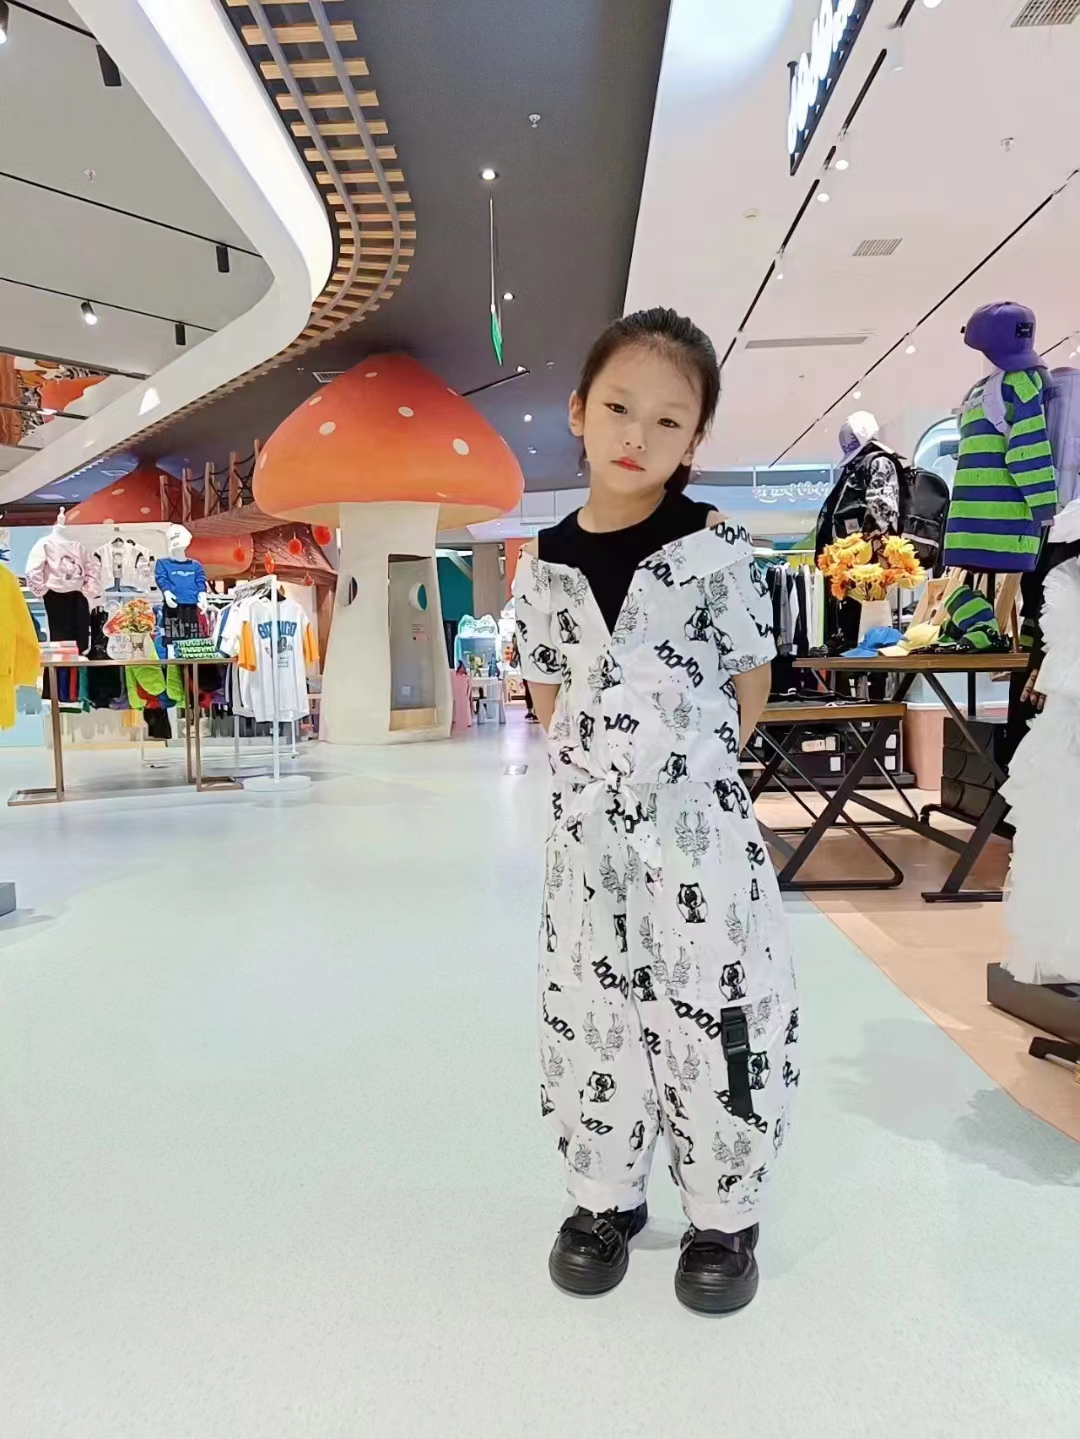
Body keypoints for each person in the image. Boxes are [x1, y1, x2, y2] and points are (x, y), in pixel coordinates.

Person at [512, 307, 797, 1316]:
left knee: (718, 1011)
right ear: (579, 411)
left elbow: (750, 683)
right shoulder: (543, 561)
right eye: (620, 408)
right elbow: (547, 692)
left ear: (695, 438)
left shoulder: (715, 552)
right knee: (590, 1010)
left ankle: (724, 1212)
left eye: (669, 421)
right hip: (587, 839)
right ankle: (604, 1199)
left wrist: (692, 774)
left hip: (699, 837)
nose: (638, 435)